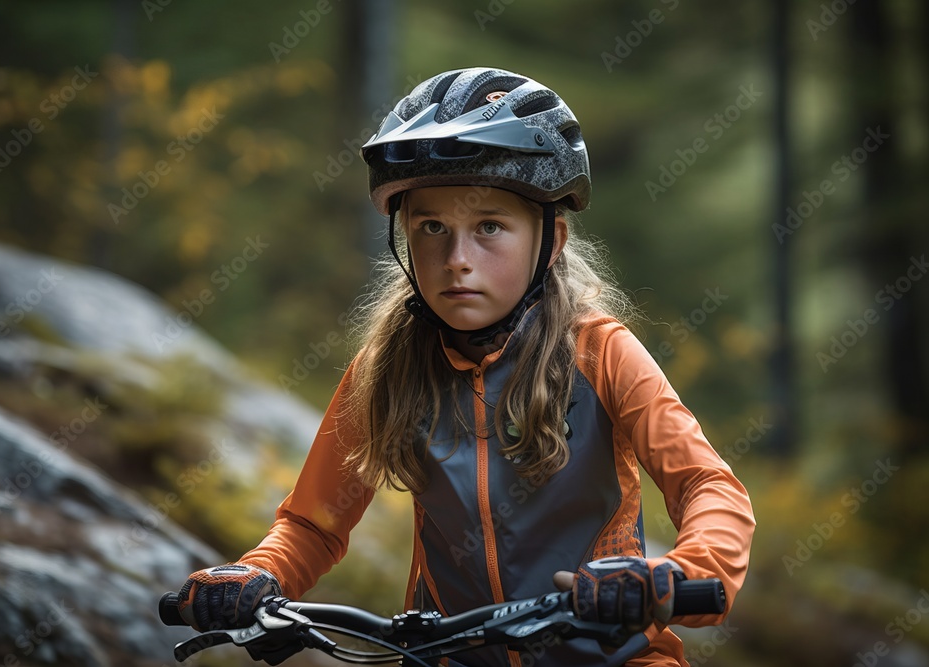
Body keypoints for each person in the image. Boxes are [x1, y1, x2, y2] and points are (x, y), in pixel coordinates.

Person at [175, 67, 756, 666]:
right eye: (432, 228)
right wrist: (257, 576)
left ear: (550, 243)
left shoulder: (599, 352)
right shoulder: (387, 368)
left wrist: (674, 574)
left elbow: (708, 487)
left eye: (489, 228)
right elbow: (315, 522)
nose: (457, 260)